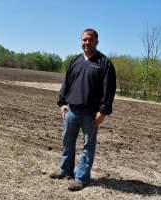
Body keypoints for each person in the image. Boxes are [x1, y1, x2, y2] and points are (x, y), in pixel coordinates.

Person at [49, 28, 116, 191]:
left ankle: (81, 178)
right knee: (67, 142)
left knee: (88, 146)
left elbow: (109, 90)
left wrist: (103, 111)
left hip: (91, 114)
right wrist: (62, 103)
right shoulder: (75, 61)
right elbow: (66, 83)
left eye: (90, 40)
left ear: (96, 42)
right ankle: (65, 170)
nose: (86, 42)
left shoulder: (104, 63)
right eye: (84, 40)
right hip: (71, 110)